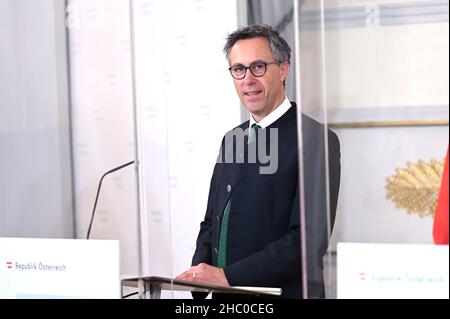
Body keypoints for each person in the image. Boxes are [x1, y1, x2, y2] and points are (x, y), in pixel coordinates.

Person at [176, 24, 341, 298]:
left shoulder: (315, 139)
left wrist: (226, 277)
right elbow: (211, 222)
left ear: (284, 69)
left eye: (259, 67)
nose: (247, 79)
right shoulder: (232, 139)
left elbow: (306, 241)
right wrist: (199, 276)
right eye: (238, 69)